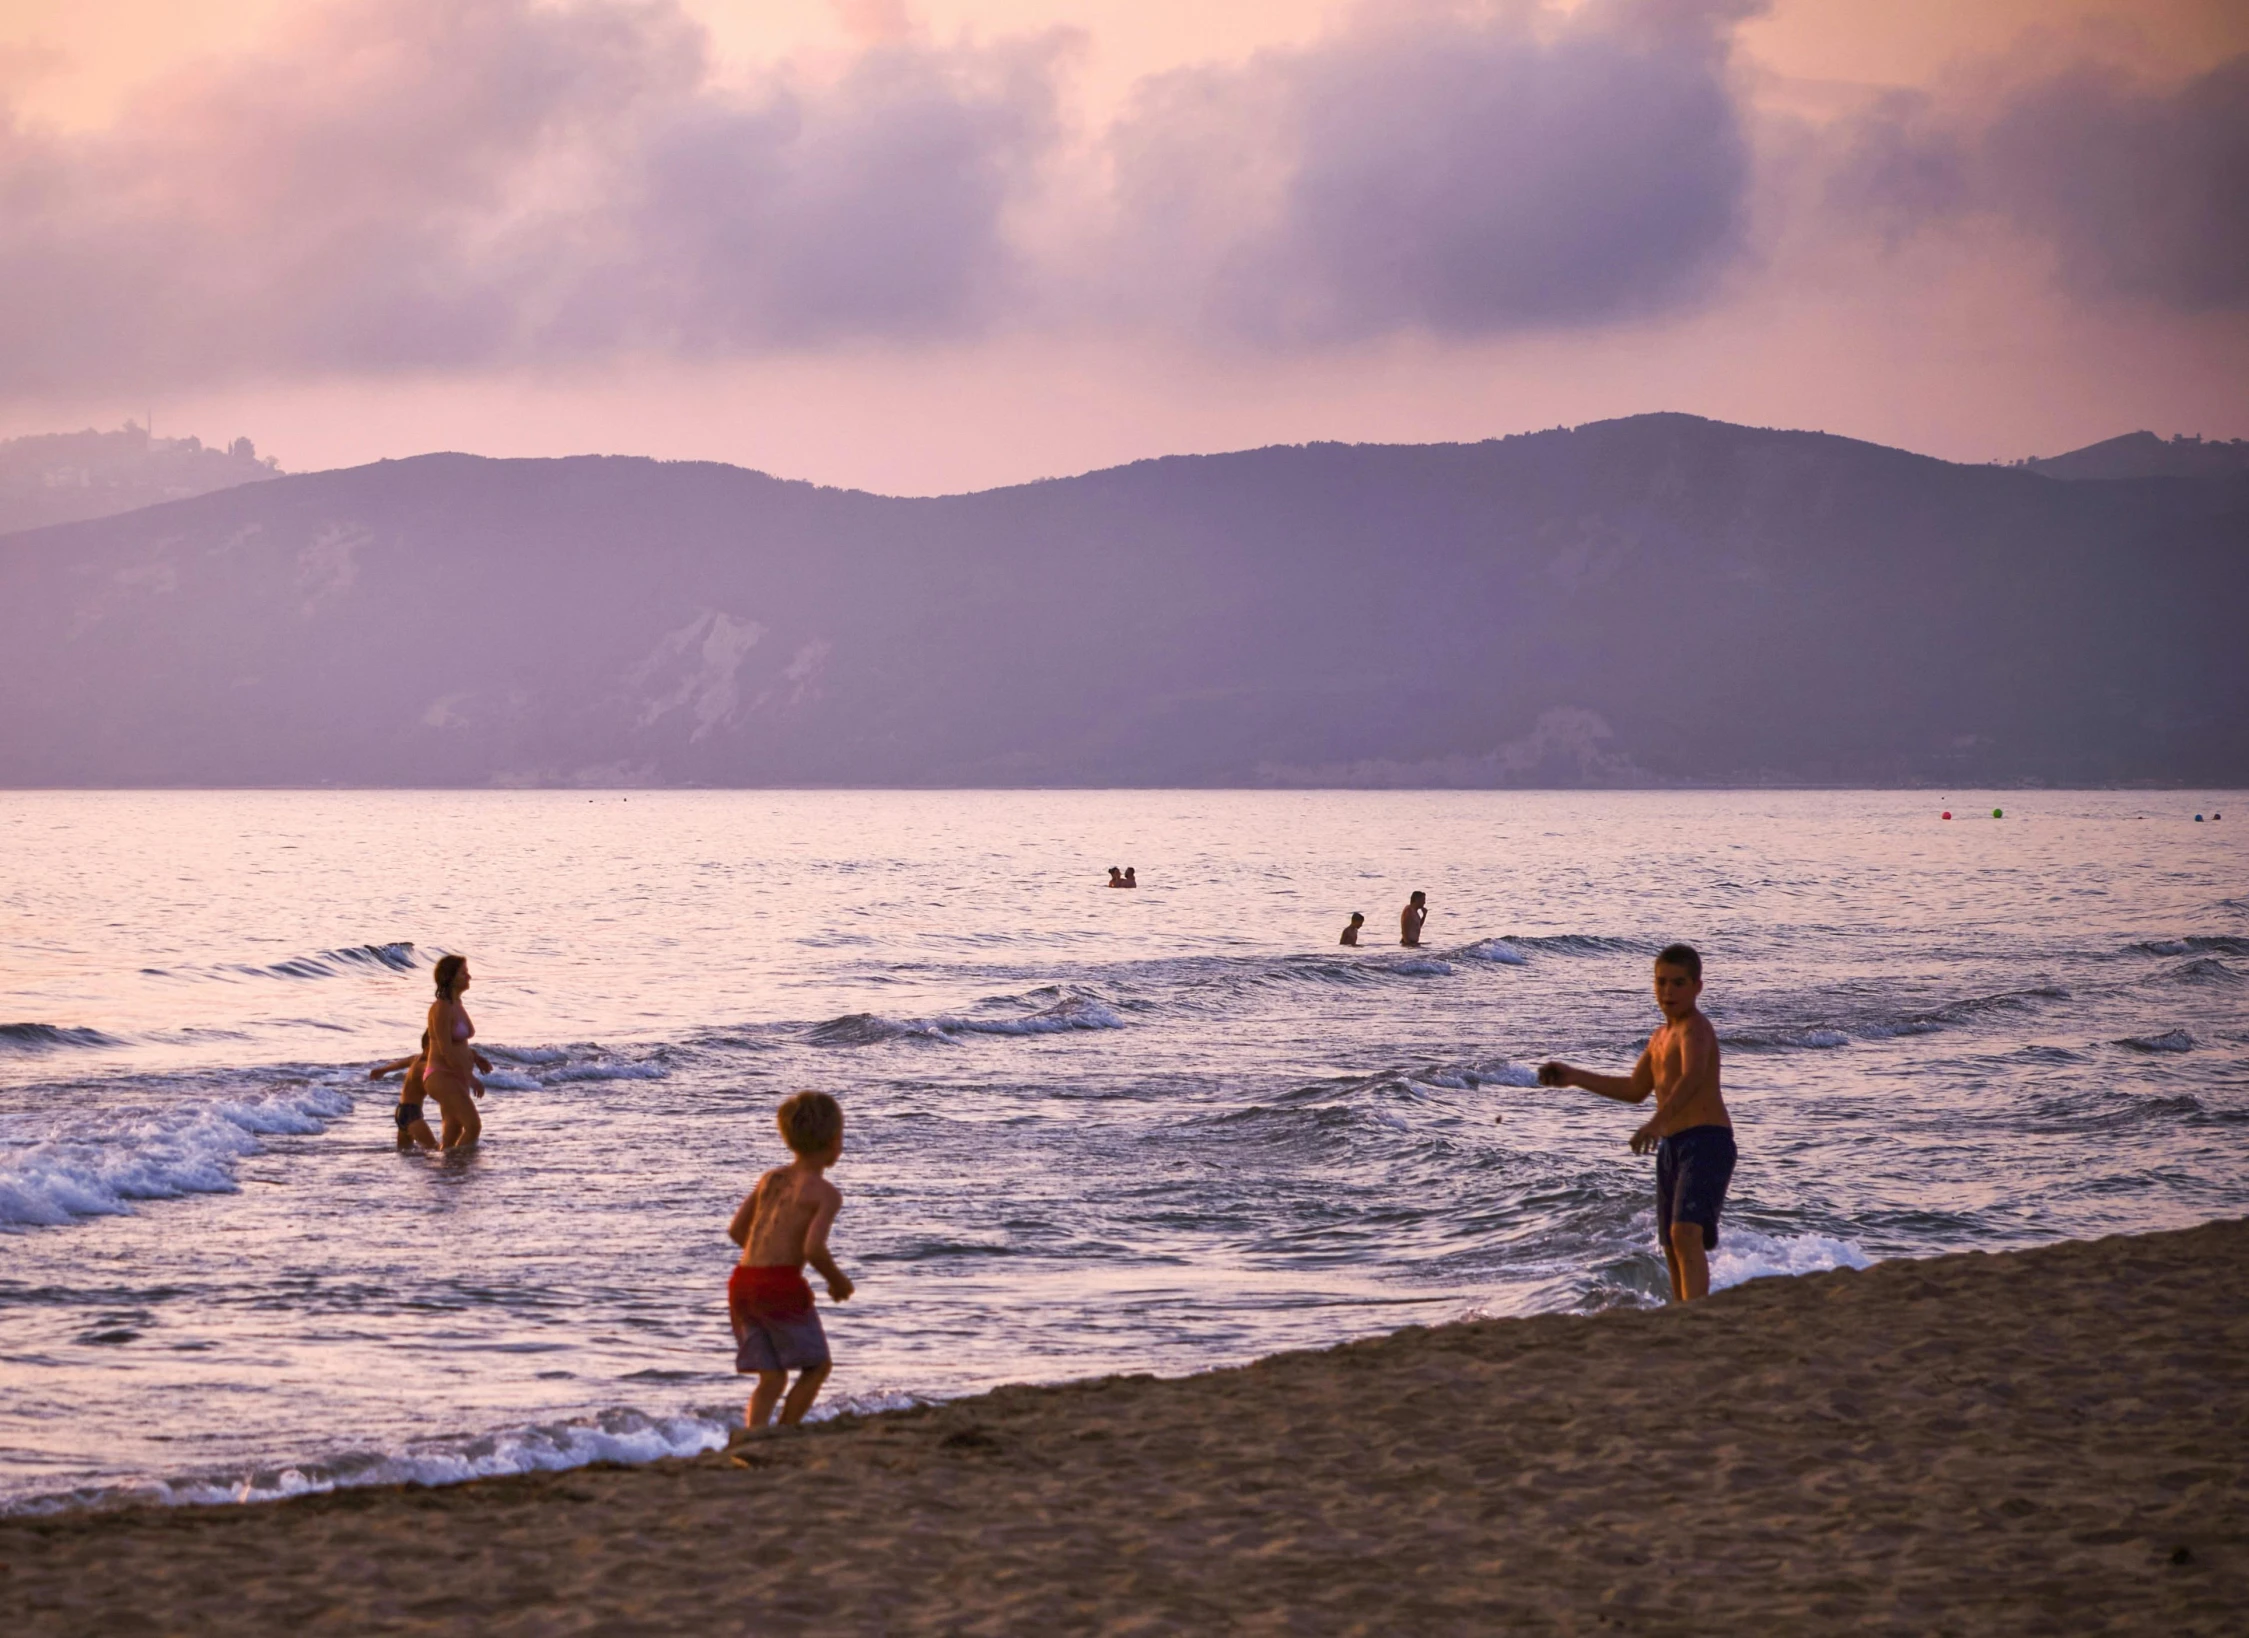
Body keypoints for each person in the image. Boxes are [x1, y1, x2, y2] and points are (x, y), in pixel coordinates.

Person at [1536, 943, 1735, 1303]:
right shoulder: (1659, 1037)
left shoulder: (1696, 1030)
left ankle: (1697, 1314)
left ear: (1697, 987)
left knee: (1686, 1233)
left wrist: (1657, 1123)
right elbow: (1633, 1089)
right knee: (1670, 1241)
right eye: (1661, 983)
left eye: (1678, 983)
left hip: (1707, 1140)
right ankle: (1682, 1311)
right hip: (1672, 1144)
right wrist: (1575, 1076)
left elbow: (1691, 1079)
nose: (1667, 992)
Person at [726, 1091, 854, 1436]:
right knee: (816, 1367)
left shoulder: (770, 1179)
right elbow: (814, 1249)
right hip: (779, 1284)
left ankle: (754, 1437)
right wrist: (837, 1281)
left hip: (743, 1281)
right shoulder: (824, 1192)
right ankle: (784, 1434)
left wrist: (764, 1256)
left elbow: (738, 1230)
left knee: (772, 1375)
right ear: (833, 1142)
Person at [423, 954, 489, 1150]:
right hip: (441, 1076)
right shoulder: (441, 1008)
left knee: (453, 1131)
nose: (469, 977)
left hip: (455, 1075)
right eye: (463, 973)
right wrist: (470, 1078)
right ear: (450, 978)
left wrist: (476, 1057)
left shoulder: (457, 1004)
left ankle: (450, 1175)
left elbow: (459, 1044)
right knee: (473, 1126)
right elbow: (445, 1050)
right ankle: (461, 1168)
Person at [369, 1032, 442, 1153]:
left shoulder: (415, 1059)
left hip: (401, 1112)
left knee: (405, 1154)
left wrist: (383, 1070)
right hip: (412, 1115)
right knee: (435, 1149)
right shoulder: (425, 1065)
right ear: (429, 1047)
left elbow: (399, 1064)